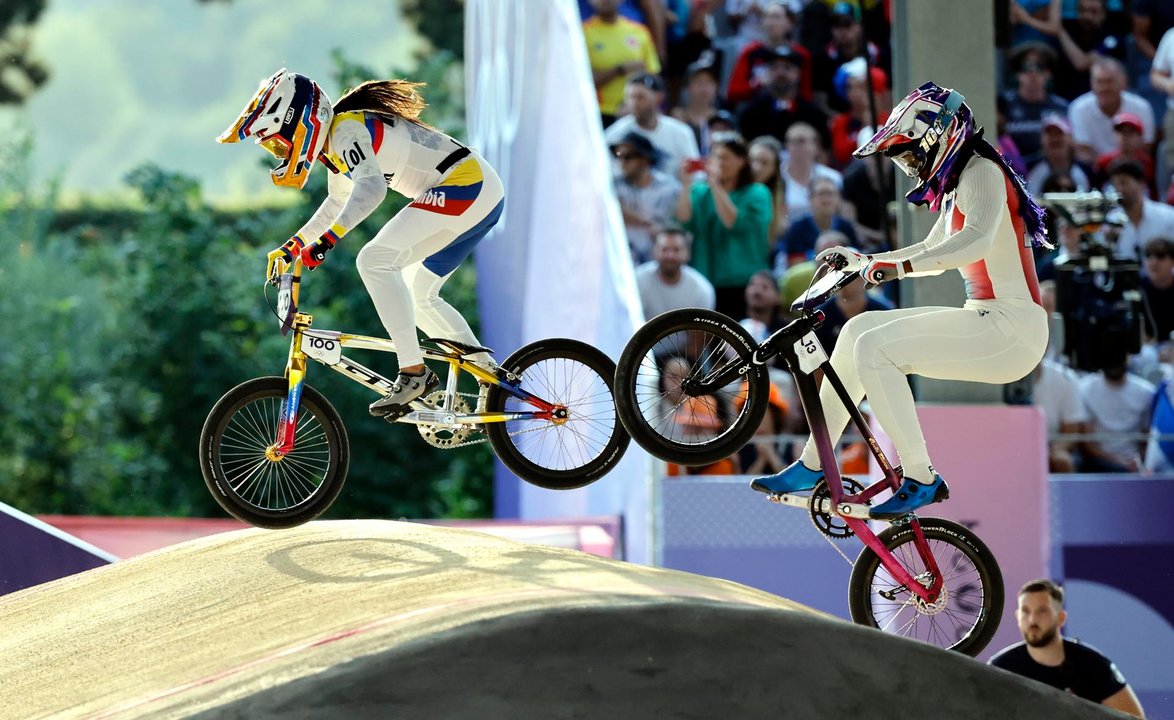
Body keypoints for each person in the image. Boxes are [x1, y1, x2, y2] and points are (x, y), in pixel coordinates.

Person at [751, 81, 1052, 520]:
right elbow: (928, 252)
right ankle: (814, 465)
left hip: (1012, 331)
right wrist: (865, 262)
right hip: (993, 321)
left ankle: (920, 475)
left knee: (875, 349)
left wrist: (893, 269)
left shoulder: (984, 172)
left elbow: (971, 245)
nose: (910, 169)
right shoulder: (962, 180)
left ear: (939, 138)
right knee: (856, 330)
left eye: (911, 155)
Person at [217, 69, 504, 418]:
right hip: (479, 190)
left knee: (374, 260)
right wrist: (294, 245)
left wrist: (326, 242)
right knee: (419, 294)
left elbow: (372, 190)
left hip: (466, 186)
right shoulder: (336, 144)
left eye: (279, 142)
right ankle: (489, 374)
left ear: (300, 124)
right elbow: (337, 202)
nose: (279, 152)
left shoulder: (345, 133)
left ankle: (413, 373)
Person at [989, 579, 1146, 718]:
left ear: (1061, 618)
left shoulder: (1093, 665)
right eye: (1025, 611)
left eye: (1042, 611)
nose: (1032, 620)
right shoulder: (1001, 668)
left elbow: (1135, 718)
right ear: (1017, 617)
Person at [675, 131, 773, 319]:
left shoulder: (757, 193)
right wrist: (686, 185)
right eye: (715, 157)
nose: (718, 162)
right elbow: (684, 220)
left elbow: (732, 222)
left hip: (743, 282)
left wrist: (715, 185)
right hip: (706, 279)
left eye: (724, 157)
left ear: (741, 161)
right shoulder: (700, 191)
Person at [605, 73, 701, 183]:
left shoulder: (681, 132)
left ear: (658, 97)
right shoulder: (613, 135)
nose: (634, 103)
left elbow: (696, 175)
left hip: (673, 195)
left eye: (641, 97)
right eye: (631, 97)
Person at [583, 0, 662, 126]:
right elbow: (581, 82)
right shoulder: (582, 33)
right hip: (598, 113)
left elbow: (653, 75)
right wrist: (619, 70)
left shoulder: (639, 31)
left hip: (637, 115)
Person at [1078, 345, 1156, 472]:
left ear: (1128, 358)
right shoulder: (1084, 389)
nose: (1114, 362)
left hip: (1135, 464)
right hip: (1097, 463)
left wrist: (1138, 461)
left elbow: (1148, 438)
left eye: (1118, 357)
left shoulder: (1147, 392)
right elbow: (1087, 444)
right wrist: (1118, 462)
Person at [1067, 56, 1155, 166]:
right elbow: (1083, 150)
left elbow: (1145, 146)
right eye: (1099, 82)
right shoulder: (1079, 108)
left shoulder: (1141, 107)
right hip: (1096, 169)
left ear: (1124, 82)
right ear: (1091, 84)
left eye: (1110, 81)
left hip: (1132, 168)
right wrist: (1108, 166)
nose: (1104, 87)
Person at [610, 131, 682, 264]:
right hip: (622, 262)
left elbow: (677, 224)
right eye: (618, 156)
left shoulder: (669, 188)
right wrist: (647, 222)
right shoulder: (612, 186)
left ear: (645, 159)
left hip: (659, 263)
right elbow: (612, 209)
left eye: (628, 157)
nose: (622, 162)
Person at [1000, 42, 1070, 162]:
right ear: (1018, 74)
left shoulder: (1062, 107)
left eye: (1039, 67)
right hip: (1010, 168)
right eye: (1026, 68)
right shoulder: (1003, 105)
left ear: (1049, 74)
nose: (1033, 74)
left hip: (1047, 168)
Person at [634, 227, 717, 319]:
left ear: (688, 254)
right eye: (664, 249)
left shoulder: (702, 289)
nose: (670, 256)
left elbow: (700, 331)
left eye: (676, 250)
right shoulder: (635, 281)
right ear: (654, 252)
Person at [1106, 159, 1174, 262]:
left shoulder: (1168, 216)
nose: (1119, 189)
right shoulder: (1109, 222)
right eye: (1115, 184)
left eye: (1124, 183)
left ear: (1141, 183)